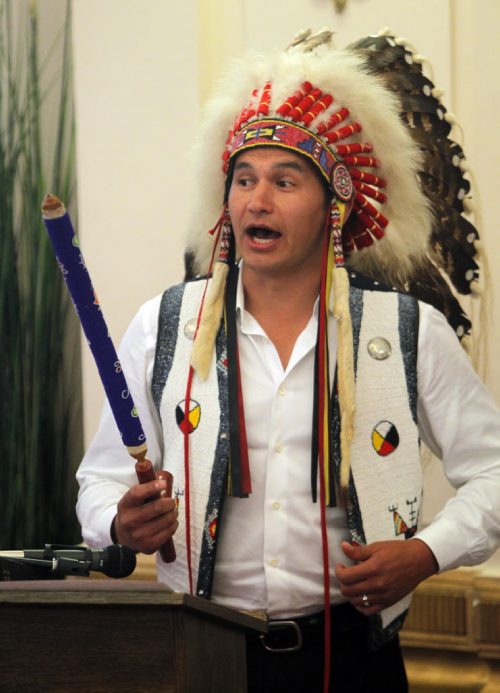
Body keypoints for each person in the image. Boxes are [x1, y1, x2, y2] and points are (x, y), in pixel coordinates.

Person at [76, 29, 500, 692]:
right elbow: (98, 481)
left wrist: (424, 553)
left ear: (335, 205)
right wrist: (119, 521)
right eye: (243, 179)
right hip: (196, 652)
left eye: (284, 180)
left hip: (352, 658)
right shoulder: (165, 326)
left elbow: (495, 473)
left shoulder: (405, 329)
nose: (256, 200)